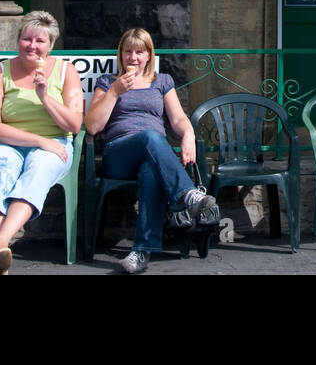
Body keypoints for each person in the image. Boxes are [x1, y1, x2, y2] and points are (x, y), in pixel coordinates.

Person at [85, 27, 218, 274]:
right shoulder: (107, 82)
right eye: (128, 52)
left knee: (150, 172)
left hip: (152, 155)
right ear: (120, 54)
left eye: (139, 52)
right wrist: (115, 91)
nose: (133, 58)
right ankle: (187, 196)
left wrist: (188, 134)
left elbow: (178, 118)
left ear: (149, 55)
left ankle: (141, 251)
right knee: (150, 136)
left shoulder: (162, 81)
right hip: (119, 153)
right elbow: (93, 125)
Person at [0, 10, 83, 275]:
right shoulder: (0, 72)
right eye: (27, 39)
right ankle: (1, 248)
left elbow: (74, 125)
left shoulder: (66, 72)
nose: (32, 46)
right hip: (6, 141)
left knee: (39, 170)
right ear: (18, 40)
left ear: (51, 45)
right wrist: (38, 140)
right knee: (2, 168)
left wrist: (45, 96)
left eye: (40, 41)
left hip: (55, 141)